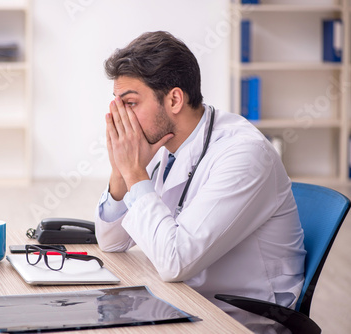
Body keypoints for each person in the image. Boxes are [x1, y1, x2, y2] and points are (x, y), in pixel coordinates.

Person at [94, 31, 306, 333]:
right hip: (185, 299)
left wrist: (134, 173)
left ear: (174, 99)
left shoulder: (244, 154)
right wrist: (121, 169)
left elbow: (174, 262)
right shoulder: (161, 143)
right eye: (117, 104)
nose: (119, 117)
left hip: (239, 320)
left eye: (129, 103)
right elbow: (111, 242)